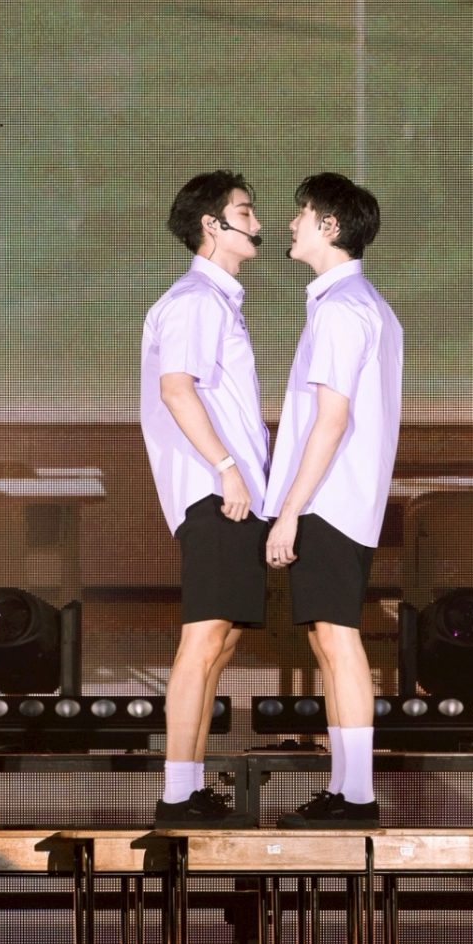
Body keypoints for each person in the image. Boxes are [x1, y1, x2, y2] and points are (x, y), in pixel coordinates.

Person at [263, 173, 402, 830]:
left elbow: (332, 420)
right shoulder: (354, 303)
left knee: (337, 640)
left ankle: (357, 795)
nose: (291, 224)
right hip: (339, 499)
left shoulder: (344, 308)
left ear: (330, 226)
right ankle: (347, 788)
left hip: (331, 500)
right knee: (328, 638)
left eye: (302, 214)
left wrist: (290, 510)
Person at [140, 170, 272, 828]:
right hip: (215, 493)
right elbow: (176, 388)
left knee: (220, 643)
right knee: (204, 639)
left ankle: (188, 786)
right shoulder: (195, 298)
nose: (257, 224)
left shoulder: (217, 300)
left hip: (235, 494)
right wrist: (226, 469)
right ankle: (176, 795)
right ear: (210, 225)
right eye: (245, 212)